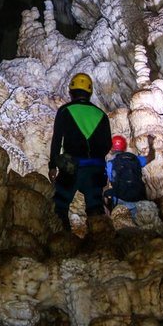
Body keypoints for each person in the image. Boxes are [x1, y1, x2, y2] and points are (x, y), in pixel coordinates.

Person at [48, 72, 112, 231]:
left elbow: (57, 140)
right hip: (95, 171)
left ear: (71, 92)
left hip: (72, 168)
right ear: (90, 93)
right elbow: (107, 145)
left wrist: (53, 165)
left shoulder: (65, 111)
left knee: (60, 207)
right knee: (95, 210)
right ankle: (101, 248)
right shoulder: (101, 115)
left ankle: (63, 246)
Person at [103, 135, 154, 217]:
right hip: (138, 197)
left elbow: (110, 181)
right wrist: (151, 144)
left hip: (120, 199)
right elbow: (151, 157)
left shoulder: (110, 163)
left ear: (112, 148)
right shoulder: (135, 159)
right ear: (124, 147)